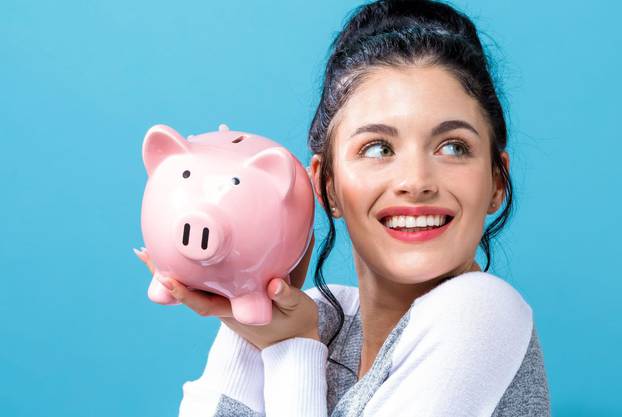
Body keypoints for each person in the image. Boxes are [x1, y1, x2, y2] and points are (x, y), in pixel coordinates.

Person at [135, 0, 551, 415]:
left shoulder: (480, 313)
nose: (416, 181)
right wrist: (247, 291)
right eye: (377, 148)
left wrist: (289, 351)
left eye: (453, 147)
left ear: (497, 181)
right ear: (326, 185)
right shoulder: (322, 320)